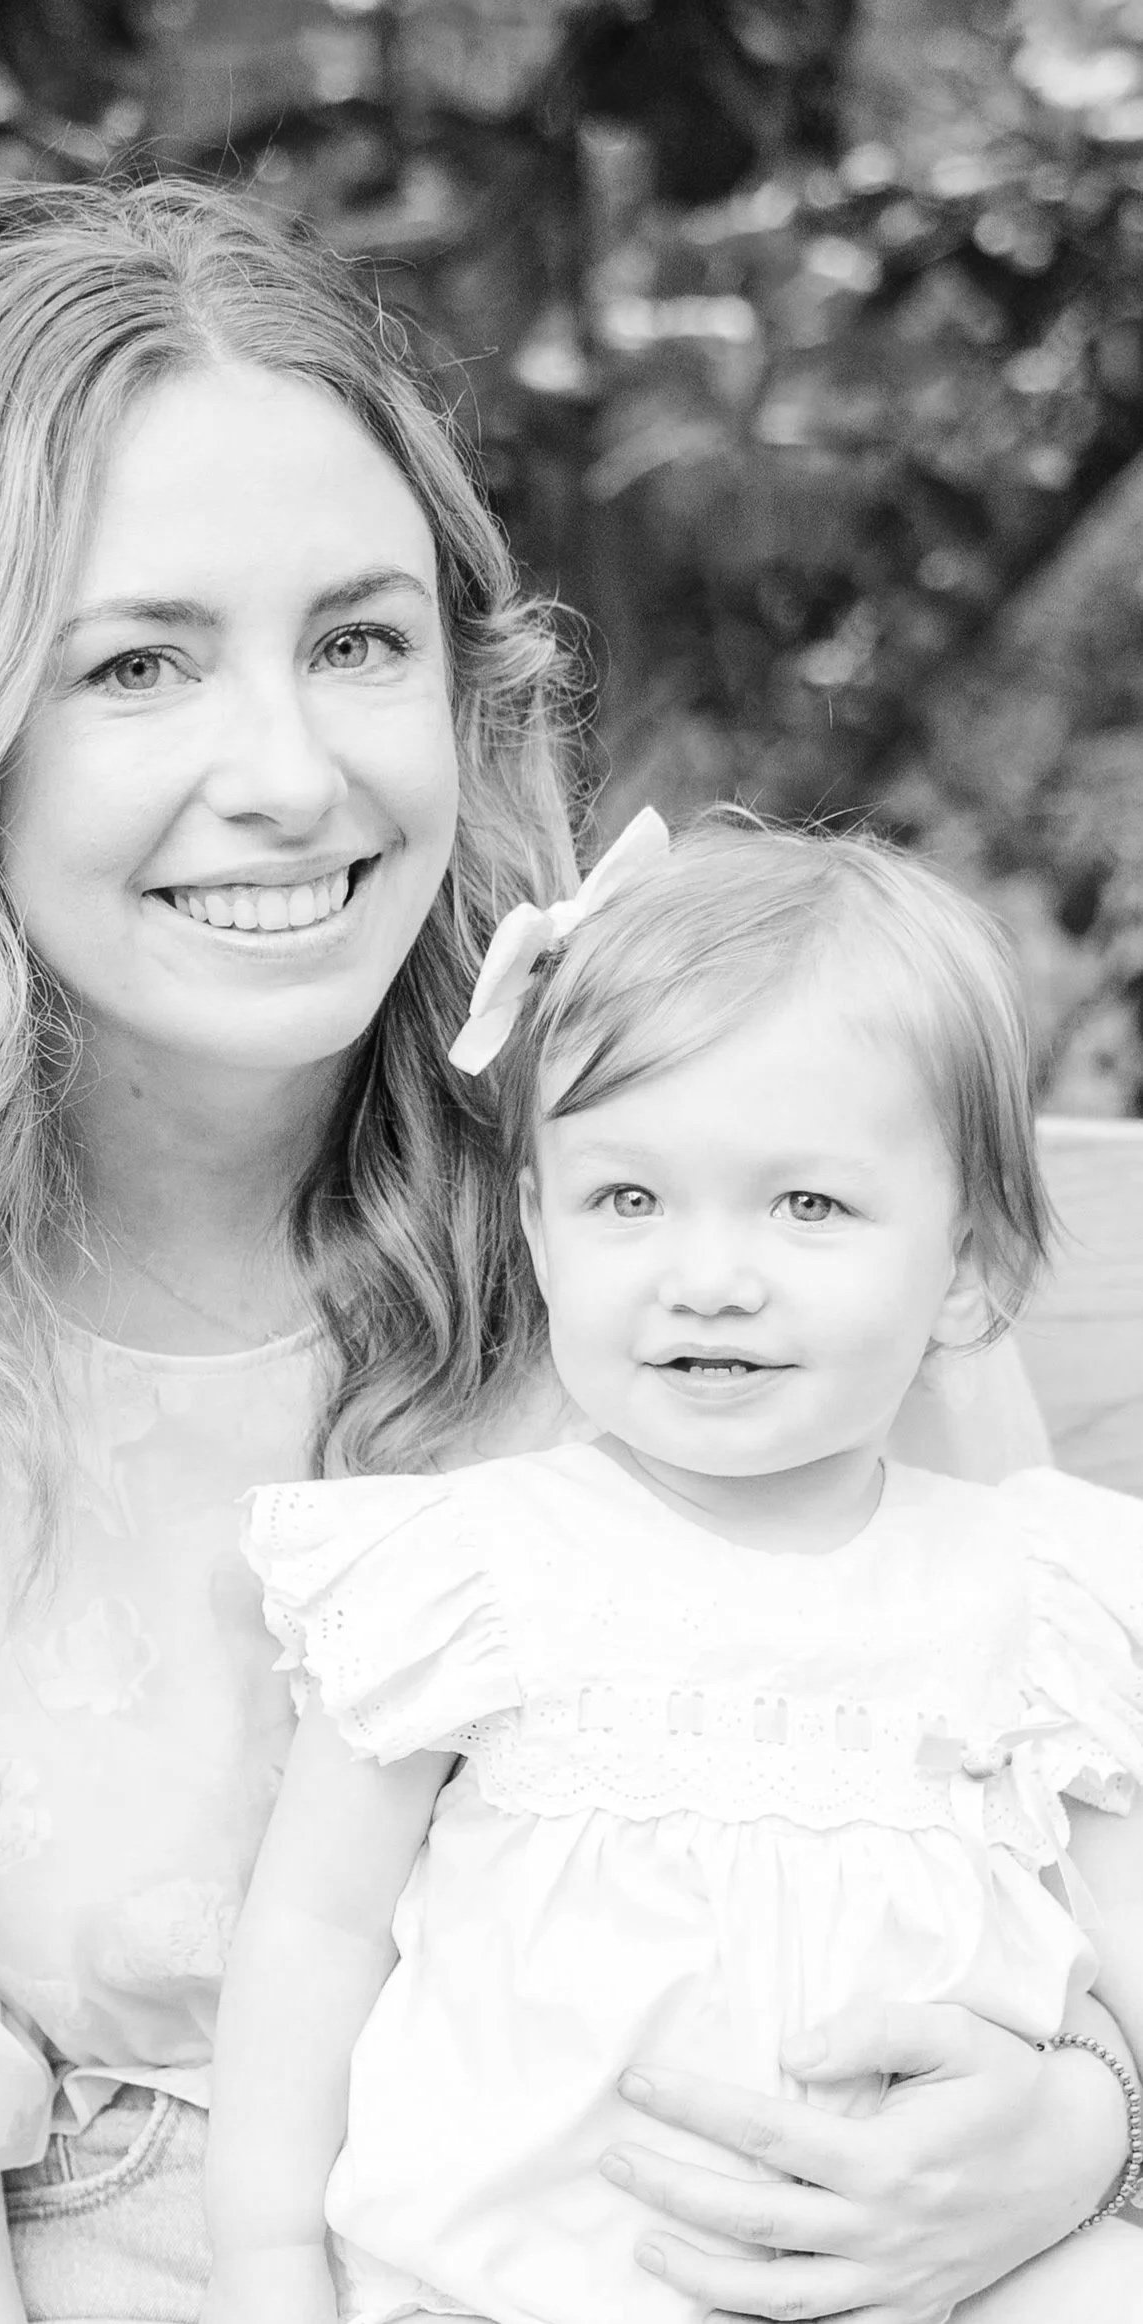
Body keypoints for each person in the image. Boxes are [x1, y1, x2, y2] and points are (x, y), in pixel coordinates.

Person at [0, 178, 1129, 2324]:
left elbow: (1045, 1768)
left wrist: (1075, 2118)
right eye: (134, 663)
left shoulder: (689, 1192)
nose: (290, 774)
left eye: (354, 639)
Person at [206, 813, 1143, 2324]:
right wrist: (263, 2268)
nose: (707, 1274)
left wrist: (1093, 2142)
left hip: (945, 2277)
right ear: (537, 1226)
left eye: (807, 1205)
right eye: (628, 1201)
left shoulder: (1035, 1597)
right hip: (512, 2287)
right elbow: (309, 1934)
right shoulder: (470, 1573)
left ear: (963, 1260)